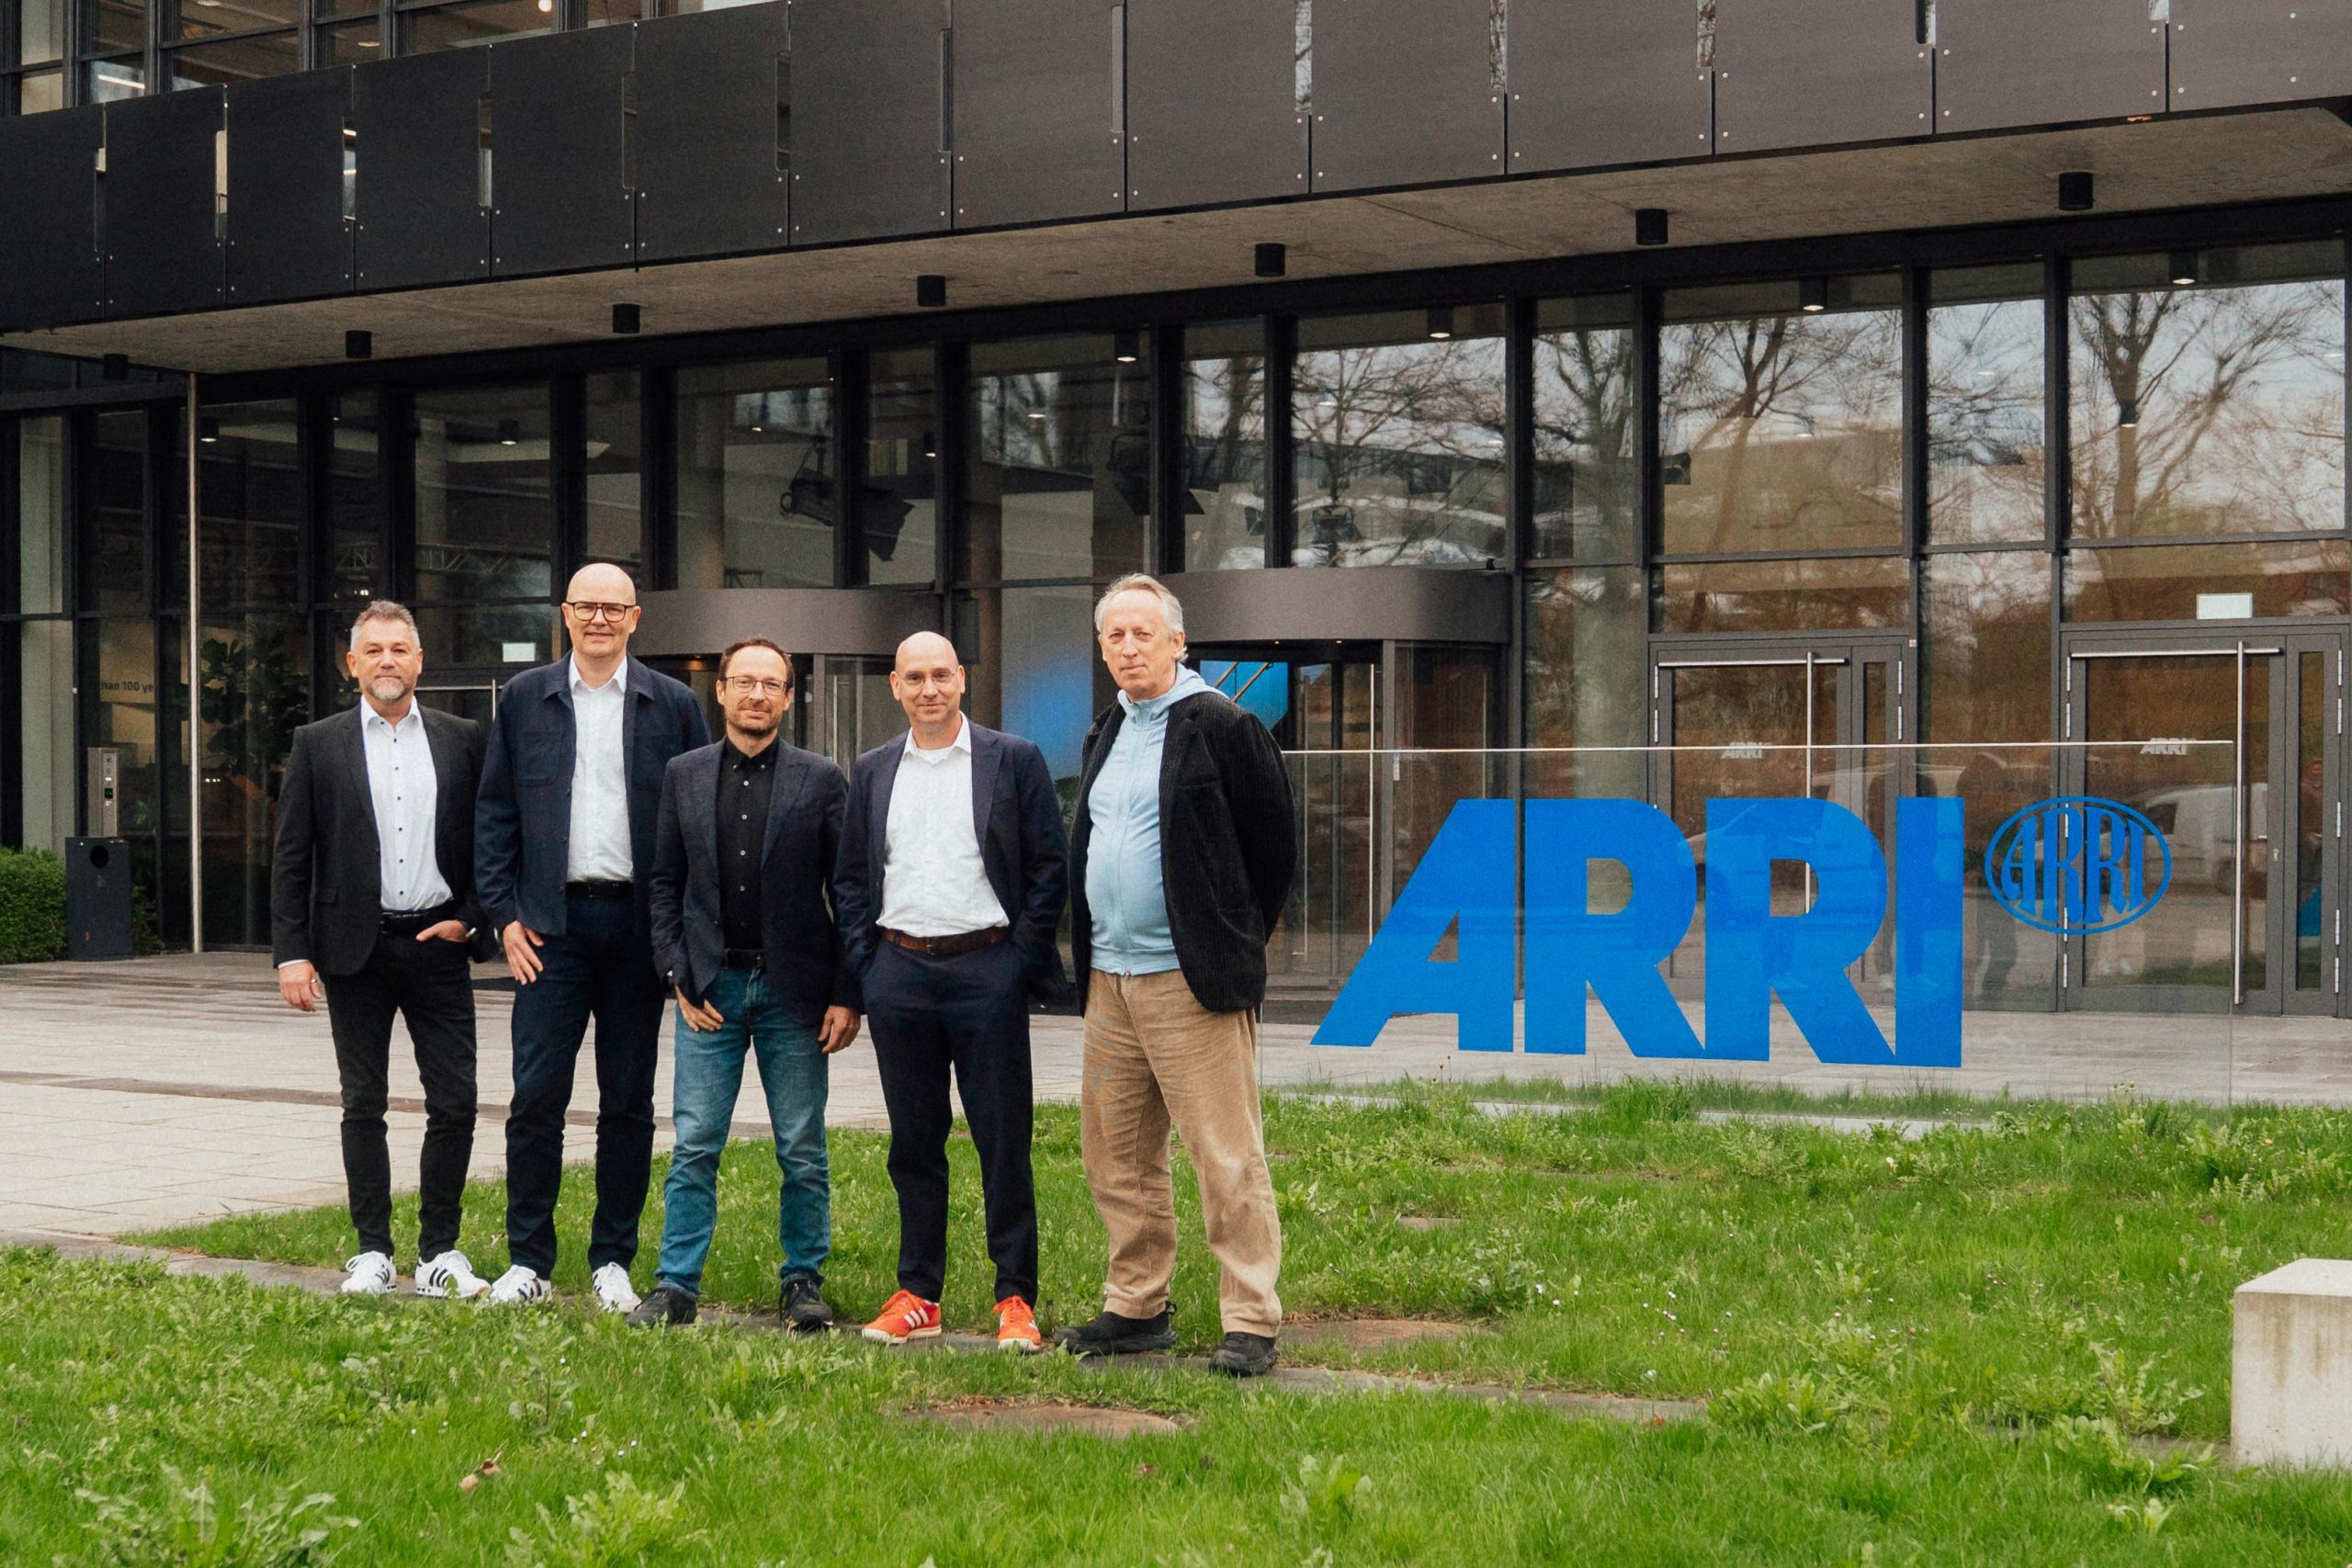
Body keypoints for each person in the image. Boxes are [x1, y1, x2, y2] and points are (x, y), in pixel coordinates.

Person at [1055, 573, 1298, 1377]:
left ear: (1177, 642)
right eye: (1113, 636)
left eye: (1142, 633)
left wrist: (1228, 941)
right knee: (1116, 1155)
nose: (1128, 646)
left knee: (1225, 1155)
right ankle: (1136, 1306)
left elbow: (1272, 853)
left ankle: (1252, 1318)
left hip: (1190, 982)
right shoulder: (1106, 732)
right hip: (1111, 981)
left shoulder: (1224, 726)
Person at [474, 562, 709, 1310]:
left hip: (640, 932)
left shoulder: (672, 704)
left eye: (614, 607)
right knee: (536, 1095)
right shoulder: (524, 698)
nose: (600, 618)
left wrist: (681, 940)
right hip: (549, 929)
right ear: (566, 615)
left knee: (629, 1100)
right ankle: (528, 1259)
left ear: (636, 618)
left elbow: (697, 820)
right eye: (586, 606)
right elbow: (494, 815)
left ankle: (613, 1256)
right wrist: (505, 917)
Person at [834, 632, 1069, 1352]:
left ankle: (1015, 1297)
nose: (929, 688)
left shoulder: (1015, 760)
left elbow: (1047, 868)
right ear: (894, 687)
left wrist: (1017, 960)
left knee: (1003, 1139)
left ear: (962, 679)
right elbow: (849, 877)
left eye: (942, 674)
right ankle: (919, 1292)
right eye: (915, 677)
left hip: (986, 969)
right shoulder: (872, 771)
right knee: (914, 1141)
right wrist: (869, 964)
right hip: (899, 973)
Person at [629, 637, 862, 1330]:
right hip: (710, 990)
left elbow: (848, 891)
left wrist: (848, 993)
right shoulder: (685, 773)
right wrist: (675, 970)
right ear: (722, 691)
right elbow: (665, 883)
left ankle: (803, 1280)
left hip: (797, 994)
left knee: (801, 1145)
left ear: (790, 697)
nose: (758, 694)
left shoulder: (822, 779)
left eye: (772, 684)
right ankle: (676, 1286)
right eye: (745, 682)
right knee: (696, 1140)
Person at [271, 600, 494, 1299]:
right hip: (352, 951)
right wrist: (291, 953)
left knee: (455, 1101)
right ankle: (372, 1250)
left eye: (400, 649)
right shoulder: (319, 743)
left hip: (437, 943)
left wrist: (473, 920)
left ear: (420, 661)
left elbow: (494, 844)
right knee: (361, 1102)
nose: (388, 660)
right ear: (352, 665)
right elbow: (291, 856)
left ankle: (440, 1252)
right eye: (374, 650)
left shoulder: (465, 739)